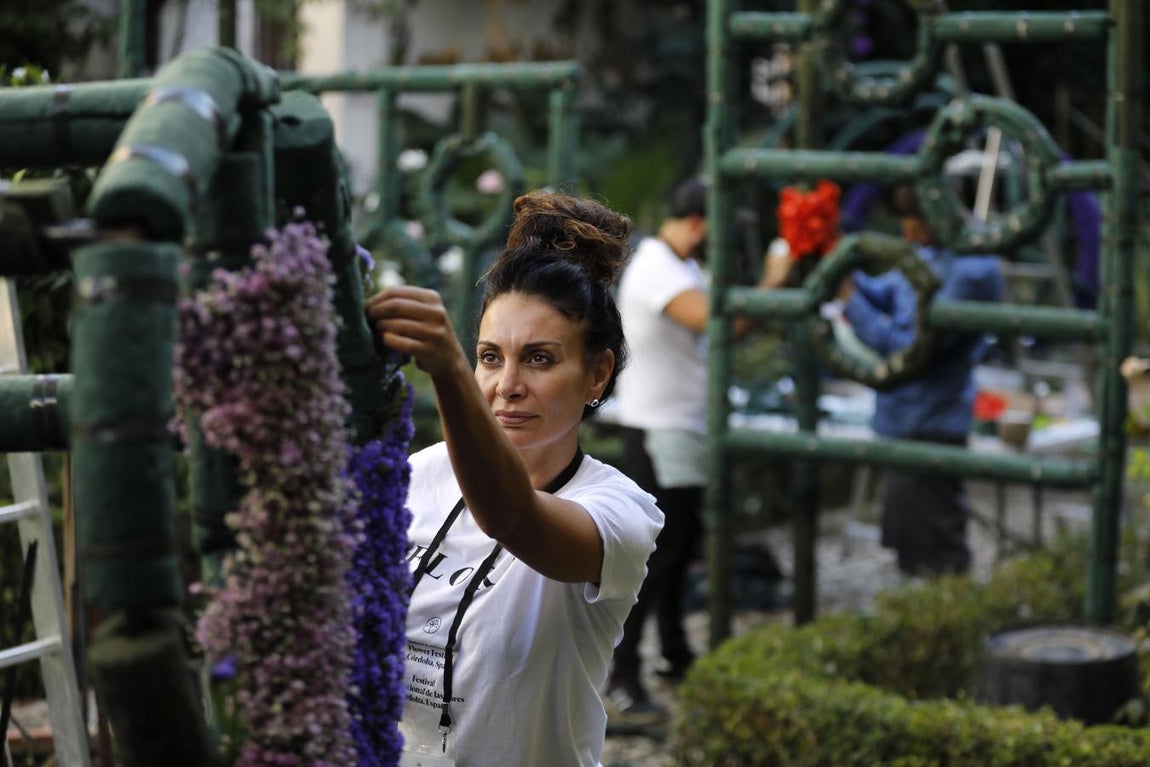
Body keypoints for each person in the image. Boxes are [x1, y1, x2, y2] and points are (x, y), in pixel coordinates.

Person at [365, 190, 663, 767]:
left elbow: (513, 517)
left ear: (597, 374)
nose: (507, 386)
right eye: (489, 357)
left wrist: (447, 371)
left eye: (540, 358)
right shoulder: (418, 475)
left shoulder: (621, 513)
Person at [607, 177, 787, 723]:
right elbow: (721, 324)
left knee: (680, 547)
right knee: (658, 556)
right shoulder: (659, 268)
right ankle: (623, 676)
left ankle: (673, 652)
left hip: (679, 427)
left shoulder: (680, 264)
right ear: (698, 223)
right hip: (660, 430)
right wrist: (774, 280)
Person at [839, 183, 1005, 577]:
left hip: (931, 421)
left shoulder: (971, 272)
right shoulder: (928, 252)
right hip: (901, 419)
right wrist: (841, 268)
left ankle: (948, 611)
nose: (908, 236)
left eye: (915, 227)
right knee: (908, 541)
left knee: (938, 545)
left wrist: (849, 300)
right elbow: (885, 293)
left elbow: (910, 348)